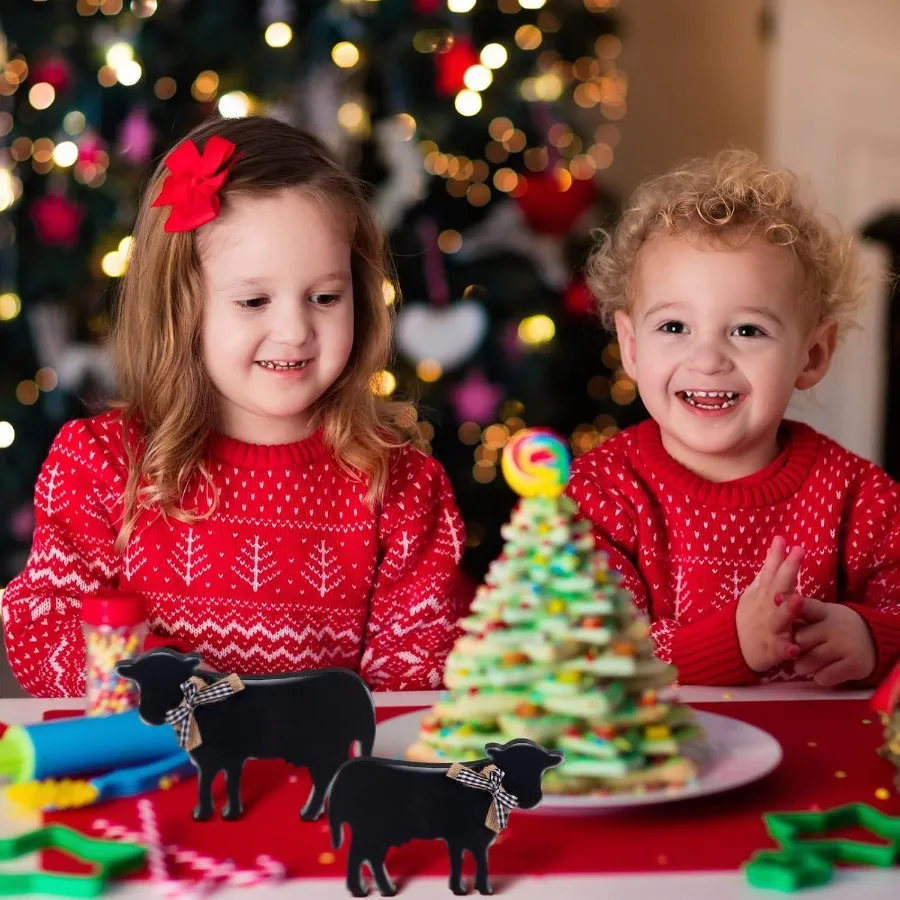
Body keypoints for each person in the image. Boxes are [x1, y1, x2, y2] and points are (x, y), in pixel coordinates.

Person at [2, 116, 468, 697]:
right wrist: (170, 687)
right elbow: (43, 625)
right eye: (253, 300)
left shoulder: (400, 484)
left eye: (325, 297)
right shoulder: (101, 465)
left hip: (324, 777)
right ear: (182, 308)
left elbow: (418, 666)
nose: (295, 330)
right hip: (156, 767)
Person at [567, 149, 900, 686]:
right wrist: (733, 644)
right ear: (631, 346)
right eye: (674, 327)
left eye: (747, 331)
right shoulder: (602, 495)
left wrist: (872, 638)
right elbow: (588, 656)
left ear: (812, 356)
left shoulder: (856, 498)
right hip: (656, 760)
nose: (707, 359)